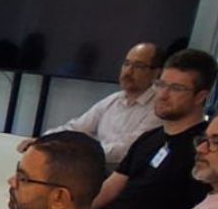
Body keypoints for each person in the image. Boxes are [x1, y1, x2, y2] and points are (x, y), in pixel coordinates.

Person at [89, 49, 216, 209]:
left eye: (176, 88)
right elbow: (112, 186)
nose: (163, 95)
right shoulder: (150, 138)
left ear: (200, 97)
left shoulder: (205, 151)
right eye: (161, 84)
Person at [16, 42, 162, 165]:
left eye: (139, 66)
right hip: (94, 165)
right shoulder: (114, 99)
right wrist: (44, 141)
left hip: (118, 174)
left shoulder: (158, 108)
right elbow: (77, 127)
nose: (128, 72)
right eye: (126, 64)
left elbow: (125, 151)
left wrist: (74, 152)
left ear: (156, 73)